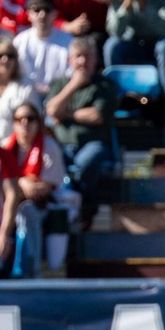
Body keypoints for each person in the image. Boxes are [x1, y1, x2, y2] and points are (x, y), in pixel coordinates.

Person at [42, 35, 112, 231]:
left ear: (95, 60)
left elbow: (96, 116)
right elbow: (51, 110)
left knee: (84, 163)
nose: (83, 61)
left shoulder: (103, 85)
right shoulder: (60, 83)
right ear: (69, 60)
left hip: (93, 144)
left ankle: (78, 208)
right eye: (78, 56)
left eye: (87, 56)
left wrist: (65, 113)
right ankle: (78, 209)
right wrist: (73, 85)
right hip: (62, 145)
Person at [1, 99, 70, 276]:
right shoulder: (7, 147)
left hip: (43, 204)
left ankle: (31, 270)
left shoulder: (49, 146)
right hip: (12, 202)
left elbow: (43, 189)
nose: (25, 124)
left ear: (38, 122)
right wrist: (23, 182)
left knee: (27, 212)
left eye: (30, 119)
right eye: (19, 119)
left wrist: (19, 183)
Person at [13, 0, 69, 96]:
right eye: (37, 10)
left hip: (59, 94)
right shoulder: (19, 42)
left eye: (47, 10)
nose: (42, 15)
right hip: (26, 95)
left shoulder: (68, 41)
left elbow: (71, 75)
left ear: (55, 14)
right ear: (28, 14)